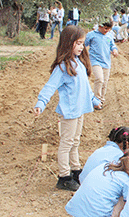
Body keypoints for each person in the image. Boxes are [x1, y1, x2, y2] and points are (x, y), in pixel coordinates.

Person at [33, 26, 102, 191]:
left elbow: (85, 88)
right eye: (78, 43)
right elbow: (50, 87)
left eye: (82, 43)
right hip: (70, 112)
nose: (81, 47)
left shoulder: (78, 63)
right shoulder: (63, 67)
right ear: (68, 43)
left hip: (80, 111)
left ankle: (76, 169)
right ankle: (64, 176)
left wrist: (93, 100)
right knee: (66, 143)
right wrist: (40, 103)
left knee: (75, 141)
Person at [84, 21, 118, 105]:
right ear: (100, 26)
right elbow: (84, 45)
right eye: (106, 28)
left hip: (106, 61)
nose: (107, 30)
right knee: (99, 79)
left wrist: (114, 50)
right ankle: (96, 100)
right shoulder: (91, 34)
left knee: (105, 82)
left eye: (109, 29)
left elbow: (112, 45)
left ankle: (101, 99)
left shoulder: (109, 35)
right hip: (95, 60)